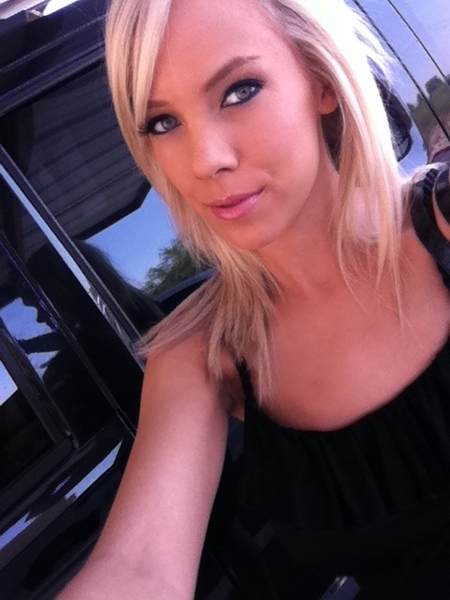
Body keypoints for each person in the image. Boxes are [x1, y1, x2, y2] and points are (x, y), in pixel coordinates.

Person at [58, 0, 450, 598]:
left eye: (239, 91)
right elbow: (139, 569)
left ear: (322, 80)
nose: (205, 160)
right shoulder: (203, 358)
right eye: (162, 123)